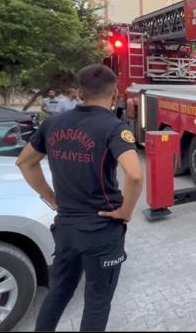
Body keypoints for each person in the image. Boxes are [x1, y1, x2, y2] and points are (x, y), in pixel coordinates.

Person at [16, 64, 143, 331]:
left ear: (78, 92)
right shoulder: (113, 127)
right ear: (115, 93)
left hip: (66, 227)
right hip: (100, 229)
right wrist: (126, 212)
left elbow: (25, 162)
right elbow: (134, 175)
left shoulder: (53, 123)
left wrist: (51, 198)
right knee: (97, 301)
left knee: (59, 291)